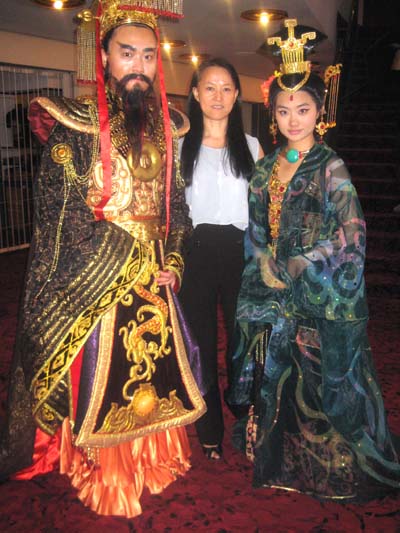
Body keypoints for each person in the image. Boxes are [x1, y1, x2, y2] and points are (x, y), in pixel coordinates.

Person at [0, 0, 206, 518]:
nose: (138, 66)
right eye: (127, 54)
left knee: (157, 383)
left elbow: (176, 210)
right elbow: (57, 221)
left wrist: (174, 263)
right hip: (96, 286)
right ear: (105, 58)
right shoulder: (74, 131)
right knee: (103, 383)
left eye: (148, 56)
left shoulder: (169, 132)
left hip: (152, 283)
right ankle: (104, 471)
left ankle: (151, 460)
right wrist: (118, 256)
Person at [227, 19, 400, 500]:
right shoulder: (264, 167)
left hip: (316, 292)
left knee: (318, 380)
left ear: (320, 111)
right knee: (275, 374)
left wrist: (298, 265)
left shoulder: (332, 166)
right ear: (273, 113)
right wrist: (262, 262)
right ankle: (281, 457)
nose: (293, 119)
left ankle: (334, 466)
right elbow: (257, 228)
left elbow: (352, 234)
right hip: (270, 287)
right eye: (283, 111)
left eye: (303, 109)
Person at [179, 58, 263, 460]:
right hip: (193, 255)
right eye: (209, 87)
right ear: (195, 93)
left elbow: (263, 211)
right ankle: (208, 429)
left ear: (236, 95)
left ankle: (245, 415)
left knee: (241, 343)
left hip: (239, 255)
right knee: (201, 344)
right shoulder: (179, 146)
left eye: (226, 88)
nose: (218, 96)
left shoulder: (251, 147)